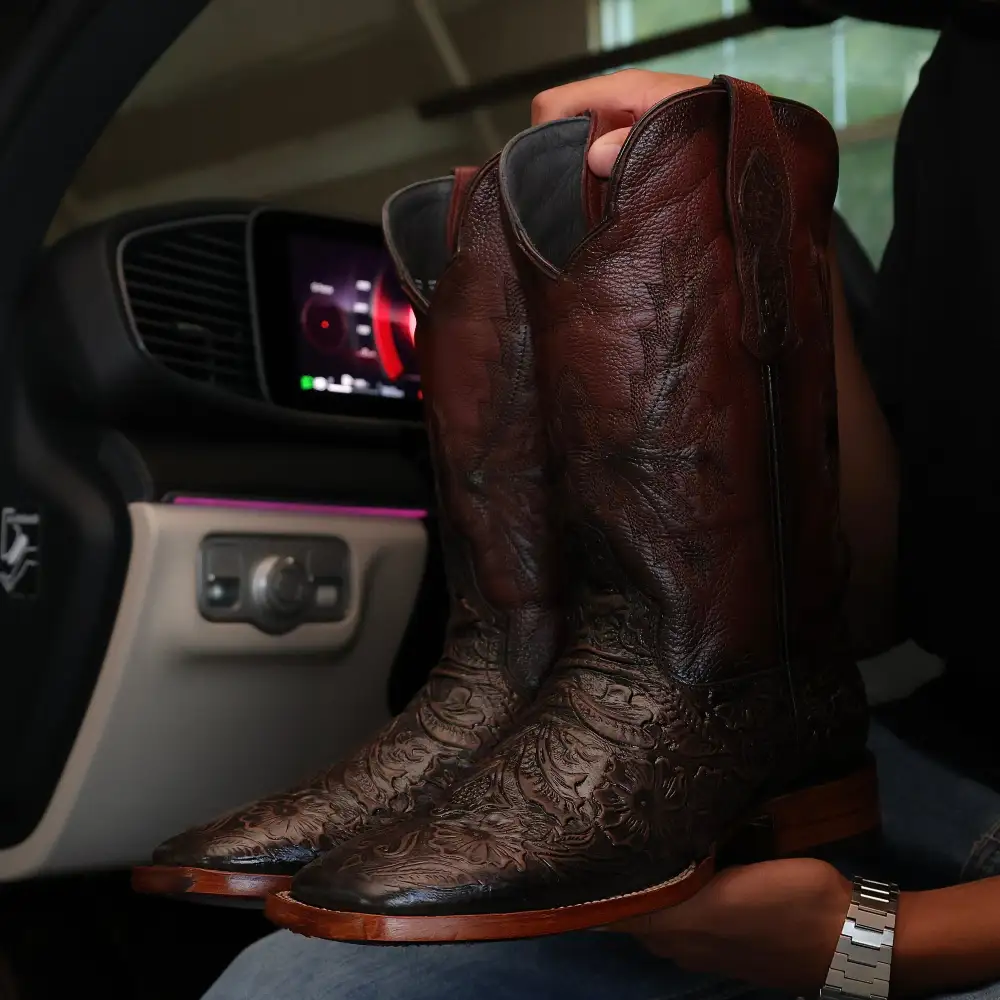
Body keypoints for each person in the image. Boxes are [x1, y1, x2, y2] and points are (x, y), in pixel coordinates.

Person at [203, 25, 1000, 1000]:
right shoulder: (965, 84)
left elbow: (869, 946)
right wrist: (768, 226)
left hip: (949, 907)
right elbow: (872, 595)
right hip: (937, 750)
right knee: (297, 983)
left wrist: (878, 944)